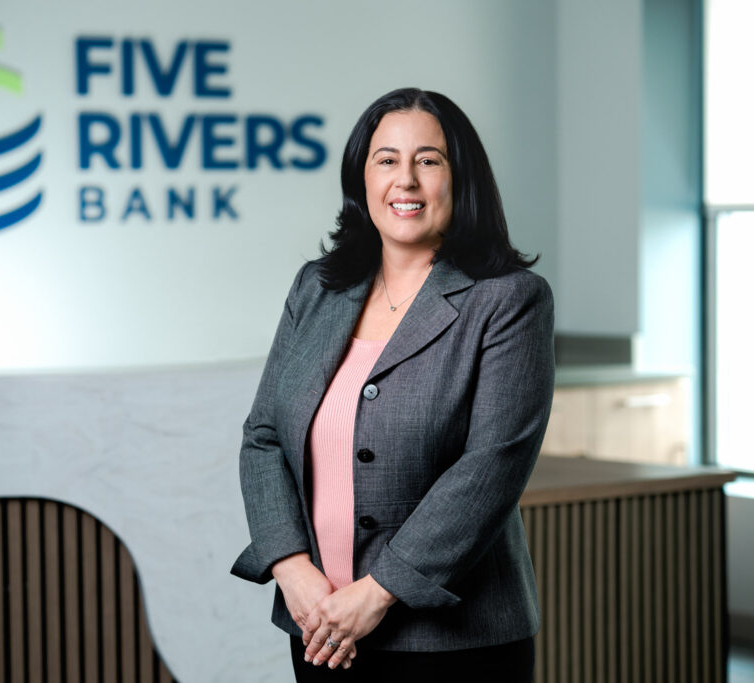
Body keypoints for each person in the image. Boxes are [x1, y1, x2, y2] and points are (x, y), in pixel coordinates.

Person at [231, 87, 554, 681]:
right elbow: (264, 438)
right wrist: (291, 568)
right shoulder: (317, 288)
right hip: (320, 626)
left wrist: (377, 592)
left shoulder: (508, 300)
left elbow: (493, 465)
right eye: (386, 160)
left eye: (428, 160)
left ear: (461, 178)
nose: (405, 180)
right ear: (362, 178)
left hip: (456, 643)